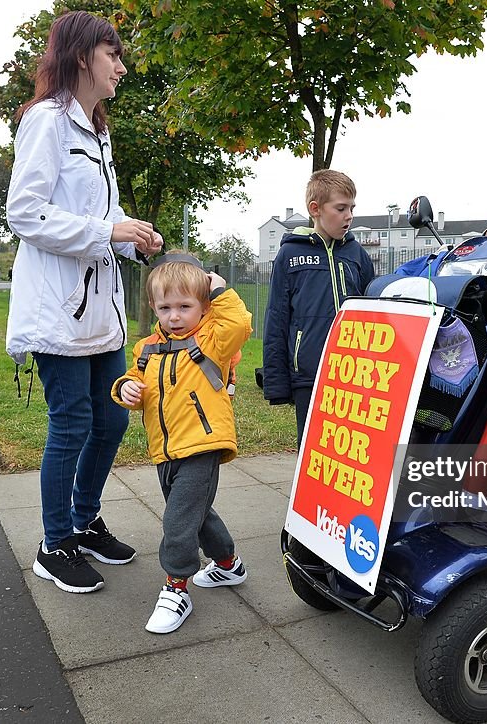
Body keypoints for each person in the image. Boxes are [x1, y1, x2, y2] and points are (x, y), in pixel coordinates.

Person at [5, 10, 163, 594]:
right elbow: (25, 213)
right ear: (82, 58)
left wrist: (132, 230)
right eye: (112, 55)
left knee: (112, 419)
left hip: (102, 311)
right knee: (71, 425)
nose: (121, 67)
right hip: (58, 308)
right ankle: (54, 543)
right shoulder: (45, 123)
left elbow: (100, 217)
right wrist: (108, 233)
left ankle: (84, 519)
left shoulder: (98, 131)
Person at [112, 255, 252, 634]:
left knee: (178, 521)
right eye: (165, 307)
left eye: (185, 306)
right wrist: (125, 389)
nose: (174, 316)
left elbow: (239, 322)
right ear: (154, 308)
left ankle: (177, 587)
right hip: (165, 450)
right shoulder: (147, 349)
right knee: (197, 514)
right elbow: (133, 383)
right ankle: (228, 565)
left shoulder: (213, 341)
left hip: (202, 446)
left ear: (204, 306)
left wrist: (220, 289)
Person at [262, 169, 376, 445]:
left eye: (352, 208)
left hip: (353, 374)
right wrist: (277, 382)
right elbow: (276, 317)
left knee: (349, 448)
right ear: (315, 209)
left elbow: (374, 311)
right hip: (310, 375)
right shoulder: (290, 254)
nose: (349, 216)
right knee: (313, 448)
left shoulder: (357, 254)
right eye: (341, 208)